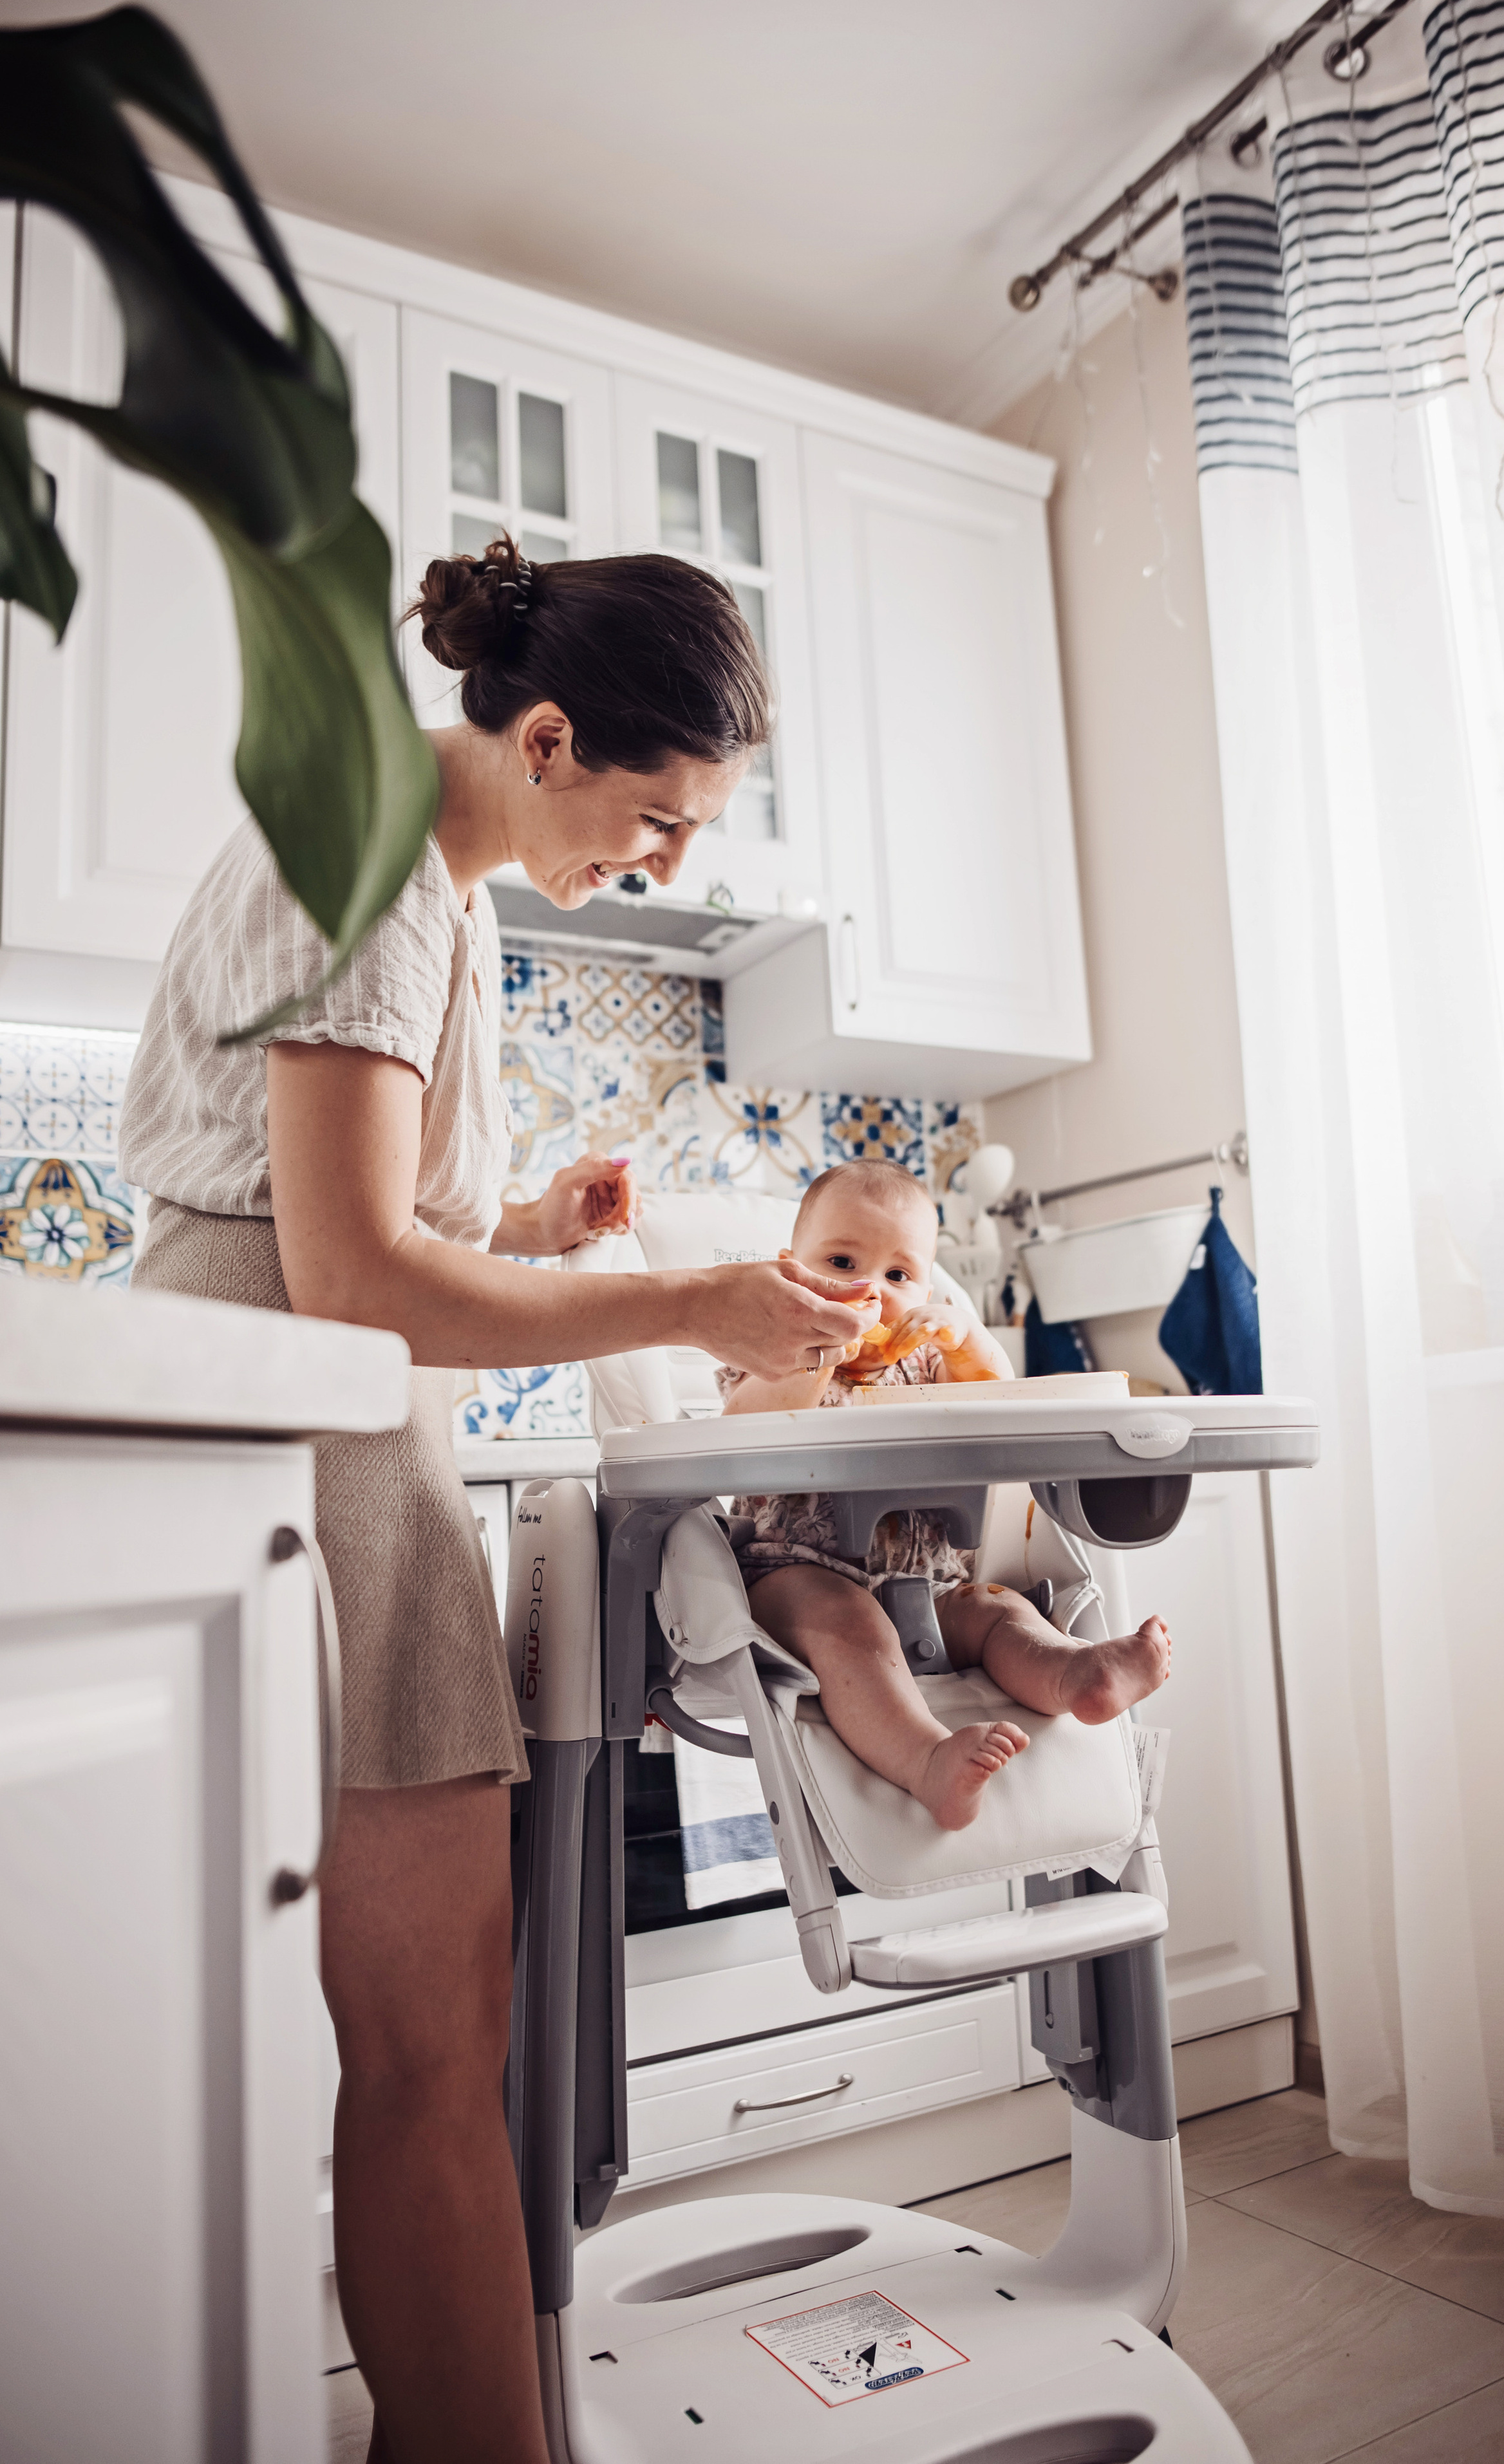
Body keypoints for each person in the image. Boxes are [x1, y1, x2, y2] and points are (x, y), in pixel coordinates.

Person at [118, 539, 874, 2464]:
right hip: (298, 1449)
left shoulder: (427, 885)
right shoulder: (379, 868)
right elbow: (354, 1276)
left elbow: (362, 1231)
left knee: (430, 2042)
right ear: (544, 736)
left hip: (304, 1434)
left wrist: (525, 1227)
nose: (668, 866)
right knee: (439, 2050)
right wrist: (696, 1294)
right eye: (655, 817)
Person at [719, 1160, 1172, 1830]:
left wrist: (966, 1339)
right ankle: (928, 1762)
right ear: (790, 1272)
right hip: (795, 1578)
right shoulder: (771, 1347)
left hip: (928, 1584)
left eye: (899, 1276)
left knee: (1000, 1613)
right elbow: (744, 1423)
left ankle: (1079, 1676)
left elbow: (1001, 1402)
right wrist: (818, 1352)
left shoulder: (927, 1359)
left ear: (928, 1288)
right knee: (854, 1630)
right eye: (842, 1262)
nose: (870, 1290)